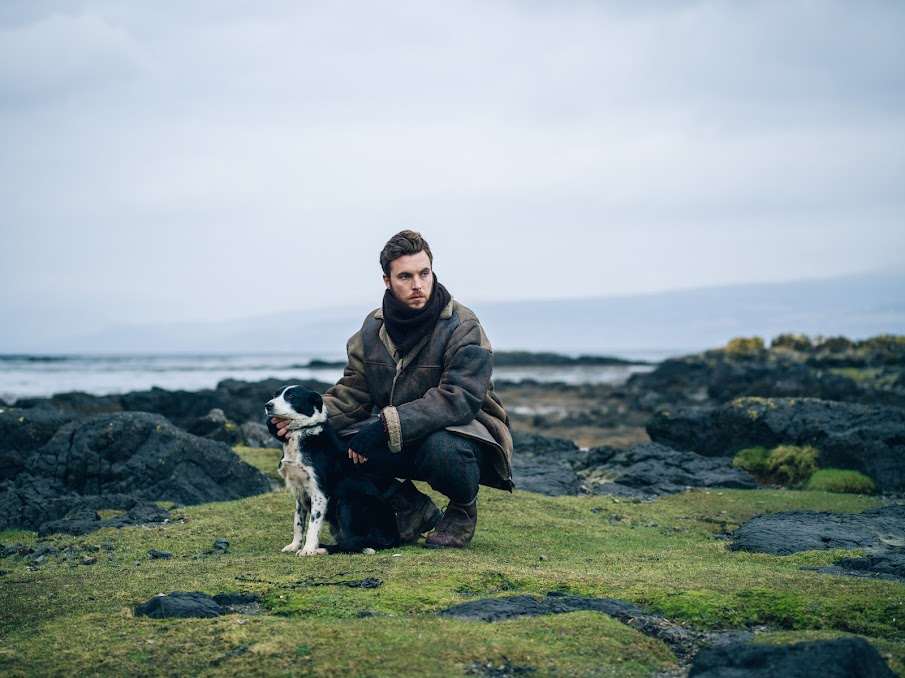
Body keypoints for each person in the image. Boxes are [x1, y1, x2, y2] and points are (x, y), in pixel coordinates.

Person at [270, 230, 513, 548]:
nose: (418, 285)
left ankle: (462, 510)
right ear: (387, 280)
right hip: (400, 436)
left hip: (465, 436)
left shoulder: (463, 325)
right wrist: (300, 420)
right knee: (330, 442)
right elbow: (353, 392)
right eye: (406, 276)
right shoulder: (372, 328)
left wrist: (385, 427)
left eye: (424, 273)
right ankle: (411, 508)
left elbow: (460, 398)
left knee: (443, 449)